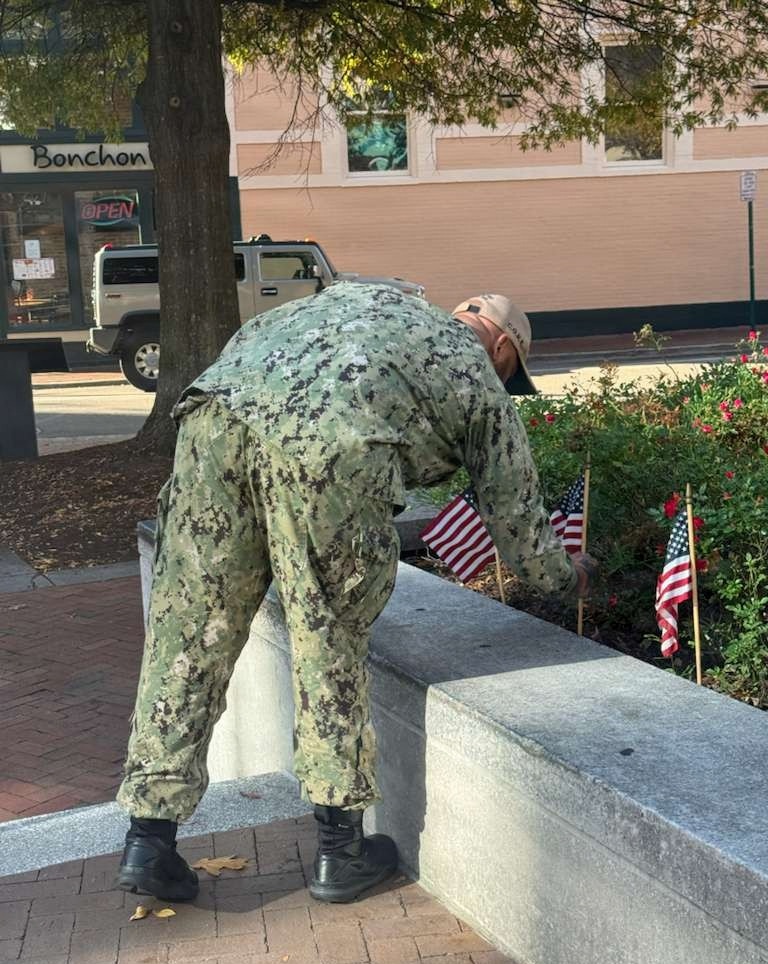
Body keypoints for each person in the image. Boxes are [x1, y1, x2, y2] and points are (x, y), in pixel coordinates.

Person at [115, 283, 598, 905]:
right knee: (328, 642)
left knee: (188, 636)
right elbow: (521, 532)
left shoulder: (370, 299)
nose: (506, 383)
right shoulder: (476, 374)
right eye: (513, 372)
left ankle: (147, 838)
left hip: (214, 420)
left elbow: (253, 340)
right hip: (332, 450)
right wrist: (572, 576)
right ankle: (339, 853)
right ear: (503, 347)